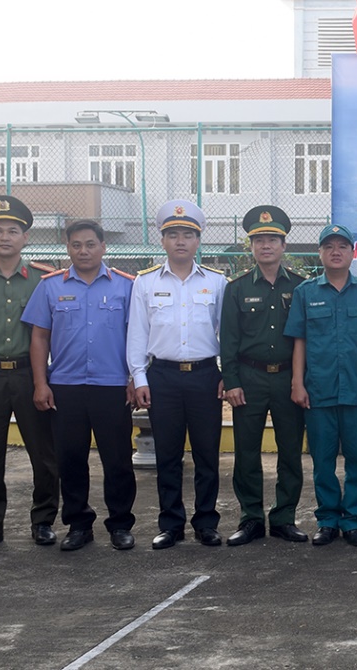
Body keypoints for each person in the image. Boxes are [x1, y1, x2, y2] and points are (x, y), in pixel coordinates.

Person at [22, 220, 138, 551]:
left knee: (117, 459)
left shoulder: (125, 286)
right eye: (76, 245)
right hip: (65, 386)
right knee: (70, 459)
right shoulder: (50, 286)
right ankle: (78, 524)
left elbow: (137, 336)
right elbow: (39, 337)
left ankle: (120, 524)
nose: (83, 251)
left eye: (90, 244)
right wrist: (40, 383)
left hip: (113, 386)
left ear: (104, 247)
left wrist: (134, 378)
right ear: (67, 248)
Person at [0, 195, 60, 551]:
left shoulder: (44, 279)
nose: (5, 236)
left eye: (13, 230)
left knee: (43, 453)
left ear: (25, 238)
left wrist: (44, 381)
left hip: (30, 375)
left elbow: (50, 332)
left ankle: (44, 520)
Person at [127, 200, 228, 550]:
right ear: (163, 240)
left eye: (188, 234)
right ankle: (170, 524)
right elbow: (137, 333)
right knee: (167, 455)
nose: (180, 241)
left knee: (206, 454)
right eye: (173, 235)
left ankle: (206, 522)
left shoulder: (216, 283)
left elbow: (226, 334)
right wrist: (139, 377)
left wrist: (225, 374)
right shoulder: (145, 283)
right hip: (163, 377)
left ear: (198, 241)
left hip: (204, 376)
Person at [285, 224, 357, 547]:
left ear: (353, 253)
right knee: (322, 460)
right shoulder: (306, 293)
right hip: (319, 390)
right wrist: (298, 383)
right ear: (320, 253)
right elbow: (299, 341)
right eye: (329, 246)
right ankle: (327, 519)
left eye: (342, 246)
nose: (336, 251)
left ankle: (353, 521)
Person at [220, 205, 309, 547]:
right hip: (250, 377)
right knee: (246, 452)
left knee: (290, 451)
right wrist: (231, 381)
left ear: (284, 245)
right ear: (251, 246)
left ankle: (285, 517)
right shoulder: (237, 288)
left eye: (272, 239)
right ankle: (252, 518)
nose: (266, 246)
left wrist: (302, 381)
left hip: (289, 378)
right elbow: (227, 339)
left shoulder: (301, 288)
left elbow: (306, 339)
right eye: (259, 240)